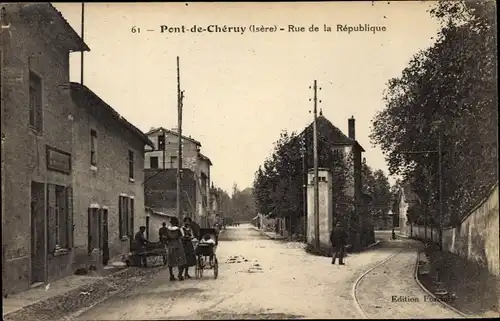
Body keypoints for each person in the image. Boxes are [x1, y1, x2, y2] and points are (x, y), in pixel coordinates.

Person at [165, 217, 187, 281]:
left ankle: (171, 276)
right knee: (182, 261)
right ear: (176, 222)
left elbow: (166, 238)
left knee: (171, 261)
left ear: (171, 223)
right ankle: (180, 275)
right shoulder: (178, 230)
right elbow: (181, 237)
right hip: (178, 245)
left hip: (170, 246)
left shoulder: (168, 229)